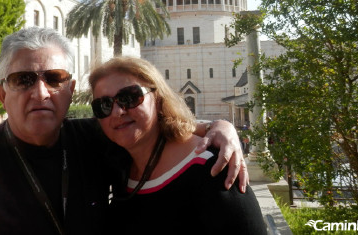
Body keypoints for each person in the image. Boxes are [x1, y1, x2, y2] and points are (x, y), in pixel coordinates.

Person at [0, 27, 248, 235]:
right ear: (2, 94)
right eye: (23, 80)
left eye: (54, 79)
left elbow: (149, 125)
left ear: (70, 92)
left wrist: (220, 126)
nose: (40, 93)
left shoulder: (96, 139)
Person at [89, 56, 267, 234]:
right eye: (103, 105)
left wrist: (221, 126)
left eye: (129, 98)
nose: (117, 112)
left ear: (158, 98)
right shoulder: (117, 164)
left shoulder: (213, 169)